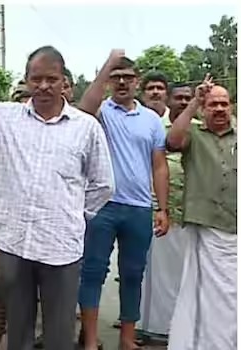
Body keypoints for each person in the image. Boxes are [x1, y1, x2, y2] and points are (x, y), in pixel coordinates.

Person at [0, 38, 114, 350]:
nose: (44, 86)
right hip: (13, 242)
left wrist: (73, 215)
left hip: (61, 246)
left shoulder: (86, 128)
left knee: (59, 334)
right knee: (17, 330)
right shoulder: (5, 118)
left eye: (52, 79)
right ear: (26, 81)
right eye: (36, 79)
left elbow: (103, 185)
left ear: (65, 82)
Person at [76, 51, 170, 350]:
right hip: (102, 206)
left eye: (127, 78)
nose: (121, 83)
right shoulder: (100, 113)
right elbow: (83, 110)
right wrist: (106, 67)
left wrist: (163, 208)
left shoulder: (152, 120)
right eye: (115, 78)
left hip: (139, 208)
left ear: (137, 82)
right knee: (93, 272)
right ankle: (91, 340)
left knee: (132, 274)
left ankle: (127, 339)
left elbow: (159, 165)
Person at [166, 77, 237, 350]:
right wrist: (194, 99)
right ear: (203, 110)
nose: (219, 109)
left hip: (235, 229)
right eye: (212, 104)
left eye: (224, 104)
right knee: (205, 298)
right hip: (206, 229)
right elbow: (172, 140)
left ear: (231, 107)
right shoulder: (193, 135)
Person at [136, 81, 202, 345]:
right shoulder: (156, 130)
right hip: (159, 211)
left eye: (189, 98)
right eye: (180, 98)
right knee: (155, 275)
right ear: (170, 101)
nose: (184, 102)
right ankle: (154, 327)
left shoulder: (201, 130)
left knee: (188, 276)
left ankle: (186, 328)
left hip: (193, 214)